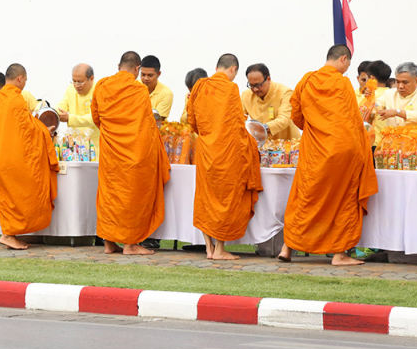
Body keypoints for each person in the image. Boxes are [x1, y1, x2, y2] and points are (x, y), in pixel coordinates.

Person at [278, 45, 378, 266]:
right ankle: (339, 254)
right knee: (343, 199)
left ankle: (287, 248)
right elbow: (352, 121)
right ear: (343, 59)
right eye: (348, 63)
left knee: (304, 197)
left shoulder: (307, 80)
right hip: (342, 150)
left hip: (314, 150)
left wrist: (315, 128)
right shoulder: (342, 83)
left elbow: (296, 115)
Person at [92, 51, 171, 255]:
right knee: (131, 197)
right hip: (132, 153)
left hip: (110, 152)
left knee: (109, 196)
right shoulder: (138, 90)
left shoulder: (102, 85)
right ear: (137, 69)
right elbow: (146, 125)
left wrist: (111, 133)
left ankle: (109, 243)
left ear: (119, 66)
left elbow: (96, 116)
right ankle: (130, 244)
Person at [187, 54, 262, 260]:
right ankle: (219, 249)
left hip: (205, 150)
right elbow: (236, 124)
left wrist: (207, 135)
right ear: (233, 69)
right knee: (225, 198)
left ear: (216, 67)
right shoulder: (230, 88)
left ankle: (209, 248)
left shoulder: (200, 86)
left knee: (205, 197)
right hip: (226, 151)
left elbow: (192, 120)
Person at [0, 63, 58, 250]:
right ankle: (8, 234)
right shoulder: (16, 99)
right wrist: (45, 131)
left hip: (0, 156)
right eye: (25, 80)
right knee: (20, 196)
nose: (24, 83)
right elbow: (28, 130)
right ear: (20, 78)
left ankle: (9, 234)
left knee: (8, 197)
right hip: (15, 158)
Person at [373, 62, 417, 145]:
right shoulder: (389, 94)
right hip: (392, 146)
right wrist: (372, 105)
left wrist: (398, 112)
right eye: (398, 82)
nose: (400, 86)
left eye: (405, 82)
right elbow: (377, 104)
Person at [240, 63, 301, 140]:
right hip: (263, 144)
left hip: (289, 144)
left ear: (268, 79)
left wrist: (262, 128)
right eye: (251, 85)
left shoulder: (285, 93)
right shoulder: (246, 95)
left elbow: (284, 119)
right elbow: (239, 118)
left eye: (258, 85)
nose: (255, 89)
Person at [56, 63, 99, 152]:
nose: (76, 85)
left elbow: (95, 118)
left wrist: (70, 118)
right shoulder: (71, 88)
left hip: (93, 146)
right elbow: (62, 105)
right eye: (74, 81)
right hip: (75, 145)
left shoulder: (99, 91)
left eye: (80, 82)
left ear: (91, 78)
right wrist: (52, 113)